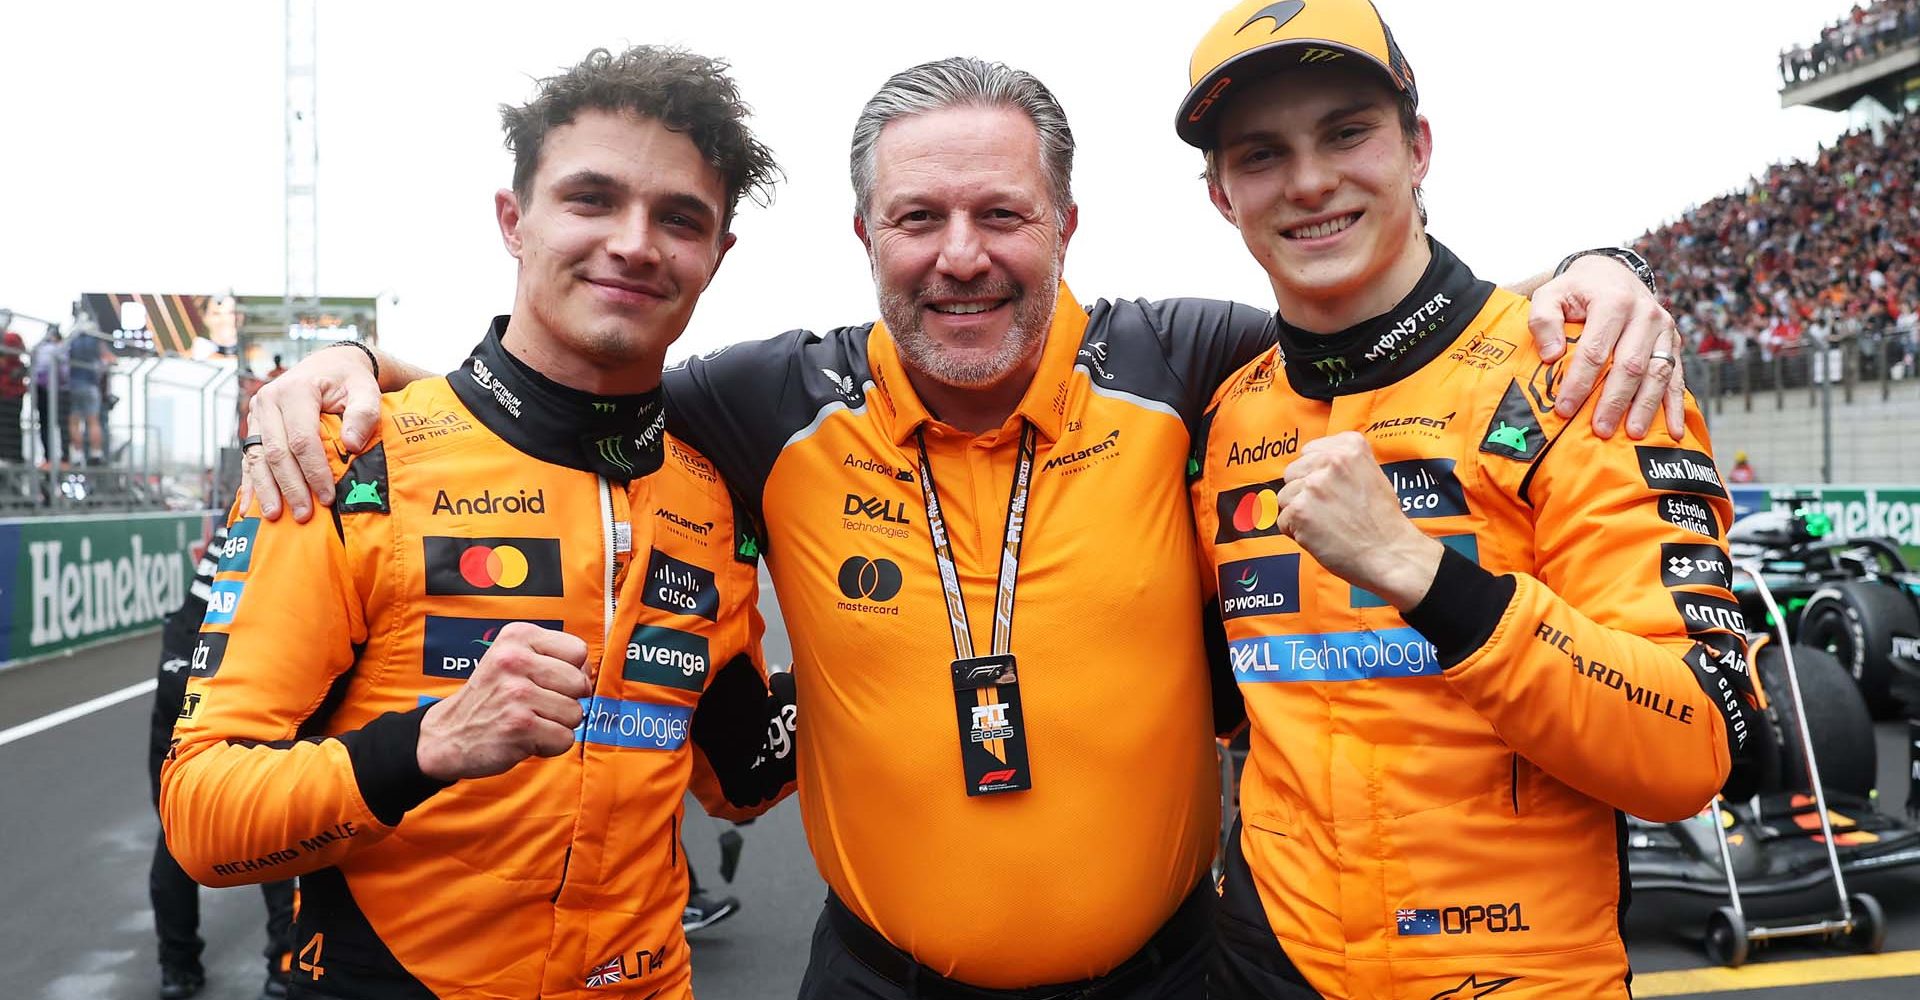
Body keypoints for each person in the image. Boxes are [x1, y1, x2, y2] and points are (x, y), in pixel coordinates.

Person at [244, 56, 1687, 1000]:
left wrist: (1594, 273)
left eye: (1002, 213)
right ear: (861, 240)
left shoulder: (1187, 362)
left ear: (1068, 227)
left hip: (1184, 976)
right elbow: (564, 385)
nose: (961, 256)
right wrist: (352, 370)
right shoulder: (766, 402)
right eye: (916, 218)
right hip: (876, 979)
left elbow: (1380, 323)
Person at [160, 46, 796, 1000]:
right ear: (514, 219)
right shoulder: (347, 459)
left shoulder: (709, 492)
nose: (635, 242)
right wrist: (428, 744)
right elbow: (204, 816)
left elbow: (739, 774)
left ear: (716, 253)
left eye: (680, 218)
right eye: (591, 199)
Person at [1174, 2, 1762, 995]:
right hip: (1268, 959)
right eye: (1262, 153)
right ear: (1223, 195)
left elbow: (1692, 744)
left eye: (1347, 131)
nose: (1310, 180)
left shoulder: (1583, 375)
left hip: (1511, 969)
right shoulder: (1227, 416)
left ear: (1419, 147)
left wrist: (1424, 577)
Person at [147, 520, 296, 1000]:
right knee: (271, 824)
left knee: (177, 830)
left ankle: (177, 968)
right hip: (234, 675)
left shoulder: (238, 521)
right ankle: (283, 966)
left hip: (184, 667)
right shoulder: (292, 515)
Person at [63, 316, 112, 466]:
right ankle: (95, 453)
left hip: (73, 385)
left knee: (74, 422)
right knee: (93, 421)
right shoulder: (96, 340)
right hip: (91, 386)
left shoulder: (72, 341)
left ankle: (77, 455)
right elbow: (108, 359)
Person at [29, 325, 65, 467]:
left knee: (46, 425)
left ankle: (49, 457)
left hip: (42, 390)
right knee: (55, 424)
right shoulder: (57, 349)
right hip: (52, 391)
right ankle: (58, 457)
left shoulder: (40, 348)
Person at [0, 329, 26, 463]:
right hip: (13, 393)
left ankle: (10, 457)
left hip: (9, 394)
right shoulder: (12, 337)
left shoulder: (10, 338)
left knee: (8, 427)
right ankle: (13, 457)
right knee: (12, 427)